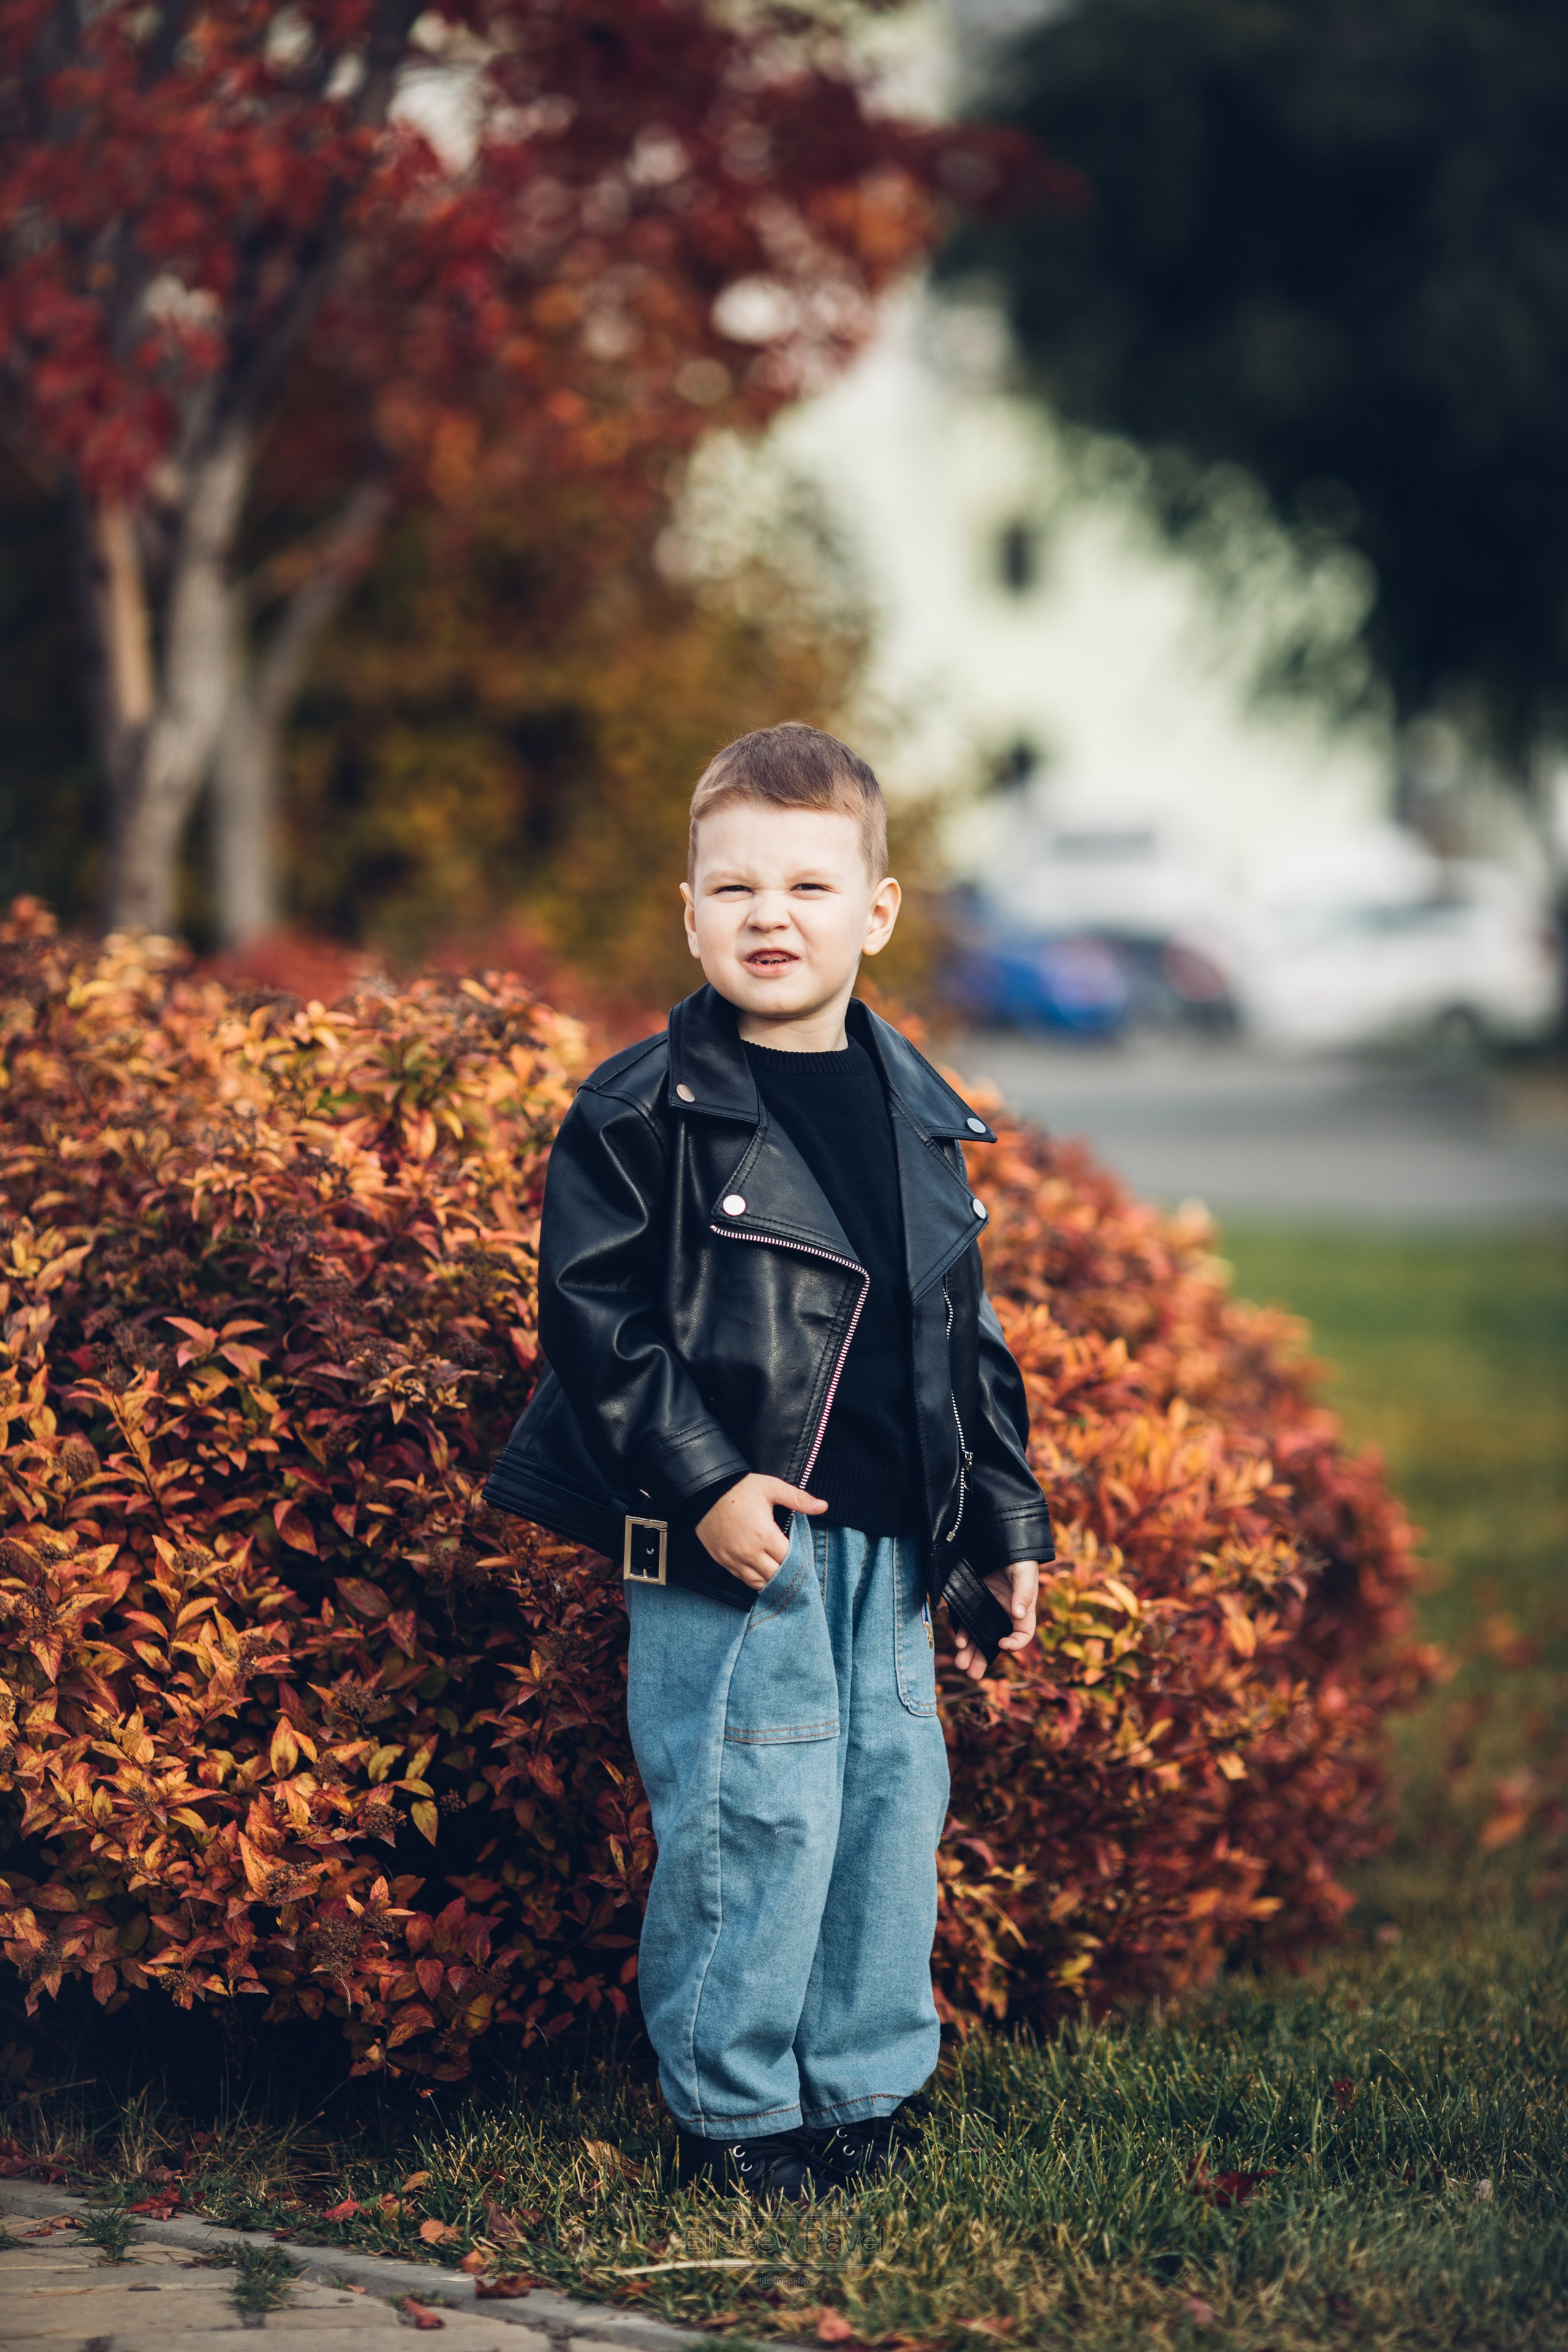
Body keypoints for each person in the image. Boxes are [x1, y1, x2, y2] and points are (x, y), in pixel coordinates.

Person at [486, 723, 1054, 2201]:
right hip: (735, 1538)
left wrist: (1002, 1515)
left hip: (894, 1543)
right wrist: (704, 1482)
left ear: (874, 912)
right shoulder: (642, 1109)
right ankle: (738, 2119)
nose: (769, 916)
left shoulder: (915, 1111)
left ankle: (865, 2085)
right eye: (733, 888)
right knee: (753, 1810)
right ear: (688, 913)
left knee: (883, 1808)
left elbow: (960, 1331)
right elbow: (594, 1323)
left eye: (808, 885)